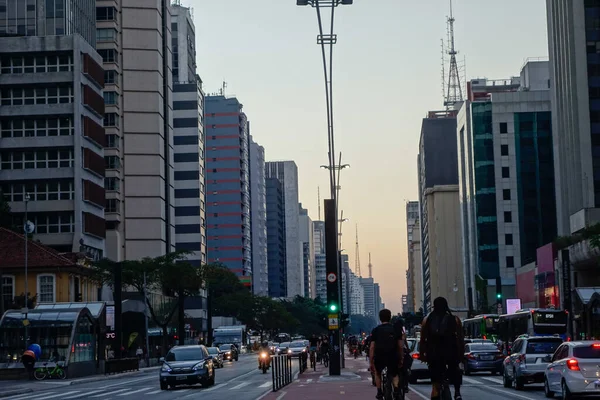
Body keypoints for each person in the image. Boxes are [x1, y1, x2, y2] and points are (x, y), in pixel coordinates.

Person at [419, 297, 464, 400]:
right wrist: (460, 355)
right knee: (455, 370)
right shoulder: (454, 319)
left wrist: (423, 355)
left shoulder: (427, 320)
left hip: (433, 354)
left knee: (435, 384)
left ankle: (435, 393)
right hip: (451, 353)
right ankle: (457, 392)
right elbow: (460, 339)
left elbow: (422, 340)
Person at [369, 309, 404, 400]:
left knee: (378, 372)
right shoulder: (395, 329)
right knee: (395, 374)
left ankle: (379, 391)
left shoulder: (376, 330)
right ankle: (396, 389)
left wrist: (371, 361)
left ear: (380, 318)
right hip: (392, 356)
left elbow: (372, 347)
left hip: (380, 357)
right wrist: (401, 358)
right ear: (390, 317)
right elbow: (400, 346)